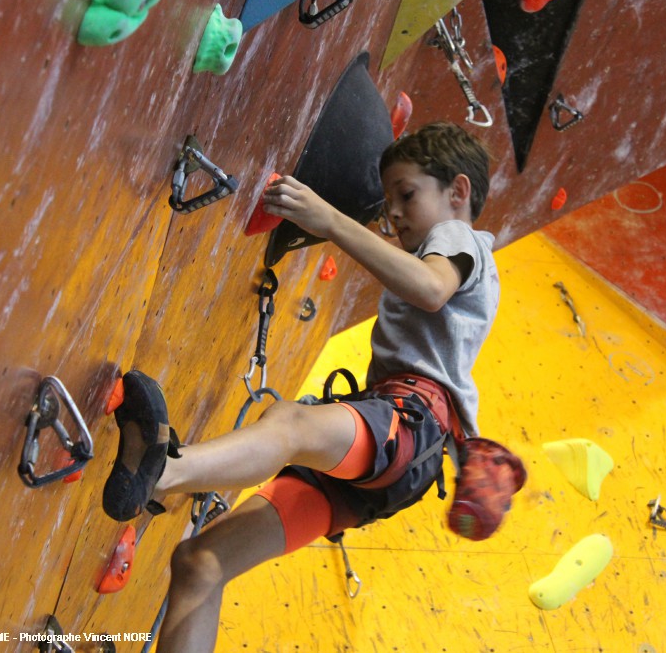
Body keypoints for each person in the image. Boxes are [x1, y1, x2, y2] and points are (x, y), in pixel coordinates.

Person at [101, 122, 500, 652]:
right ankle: (158, 476)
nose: (396, 213)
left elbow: (429, 288)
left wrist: (327, 219)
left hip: (410, 422)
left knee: (291, 423)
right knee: (201, 563)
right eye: (390, 203)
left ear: (457, 191)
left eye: (407, 195)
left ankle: (161, 472)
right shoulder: (450, 253)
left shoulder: (456, 236)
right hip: (392, 464)